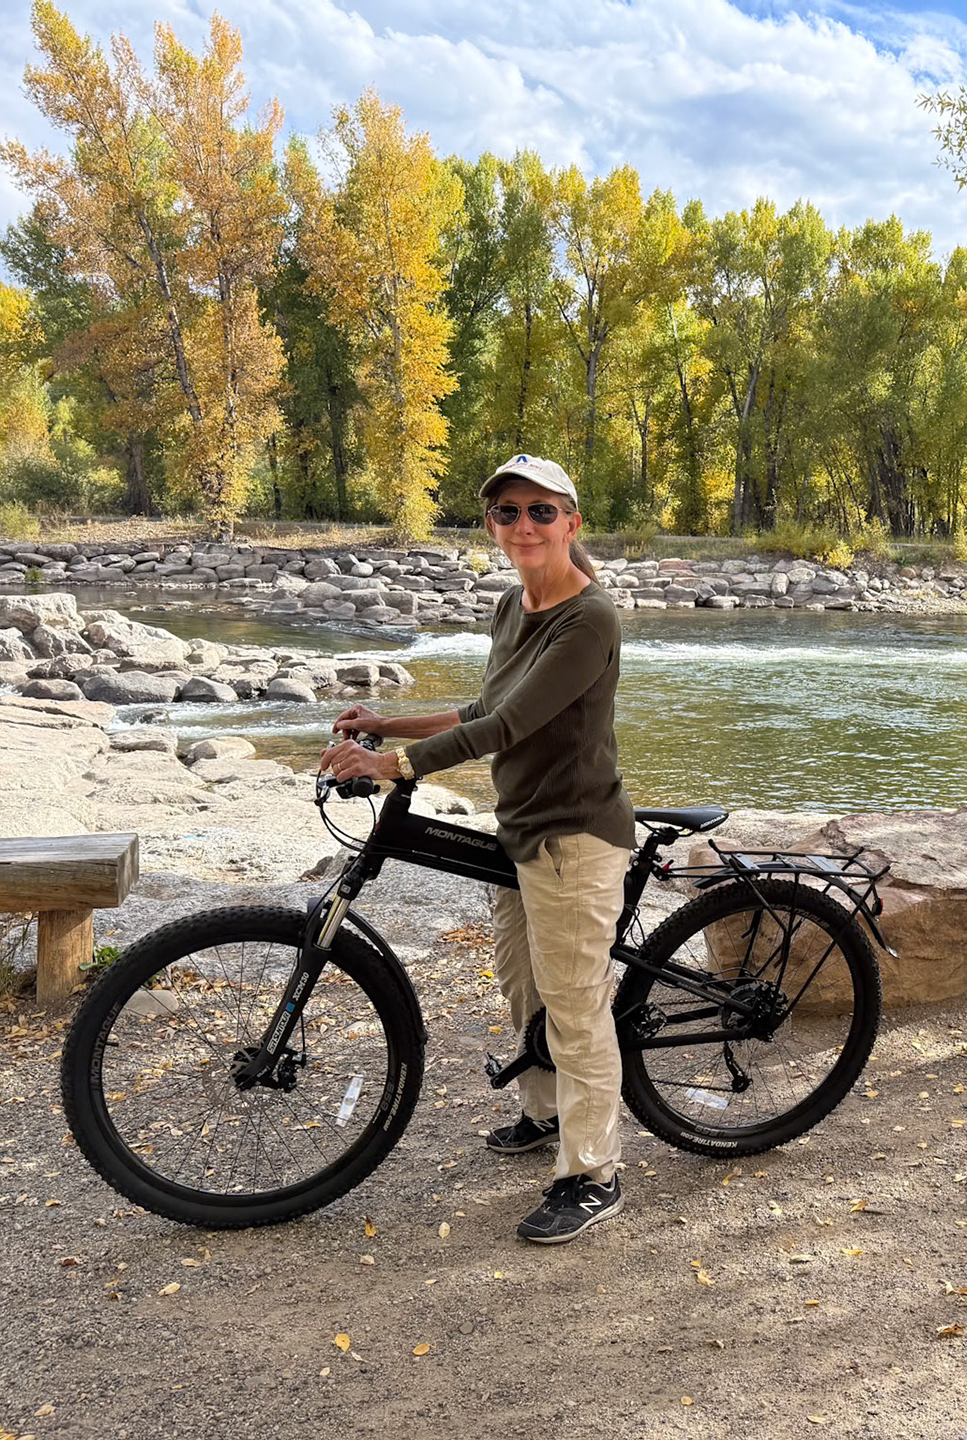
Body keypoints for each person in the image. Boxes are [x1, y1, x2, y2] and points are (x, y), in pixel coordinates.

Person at [319, 453, 636, 1245]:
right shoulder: (512, 604)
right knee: (524, 987)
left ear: (571, 522)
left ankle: (594, 1174)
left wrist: (396, 766)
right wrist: (384, 725)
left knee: (576, 1007)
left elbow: (507, 727)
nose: (523, 524)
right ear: (492, 524)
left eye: (540, 511)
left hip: (575, 839)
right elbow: (482, 706)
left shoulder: (590, 619)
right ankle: (547, 1113)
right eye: (507, 512)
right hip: (519, 827)